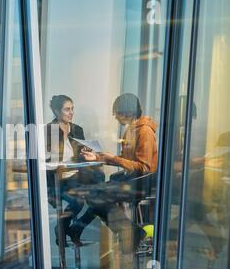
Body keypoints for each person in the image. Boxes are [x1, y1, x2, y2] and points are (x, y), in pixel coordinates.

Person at [72, 93, 159, 252]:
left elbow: (144, 167)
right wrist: (99, 157)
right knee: (93, 193)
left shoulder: (144, 131)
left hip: (142, 182)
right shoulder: (131, 130)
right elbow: (126, 159)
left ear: (128, 112)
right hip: (132, 179)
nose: (115, 117)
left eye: (116, 113)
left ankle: (129, 232)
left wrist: (112, 159)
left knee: (95, 195)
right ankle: (129, 231)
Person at [45, 95, 104, 247]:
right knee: (78, 201)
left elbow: (81, 155)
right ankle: (63, 228)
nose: (71, 112)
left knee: (101, 200)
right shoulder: (48, 131)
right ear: (57, 111)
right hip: (58, 180)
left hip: (77, 177)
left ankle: (72, 229)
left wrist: (89, 155)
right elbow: (45, 162)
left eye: (72, 109)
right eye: (67, 109)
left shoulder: (77, 130)